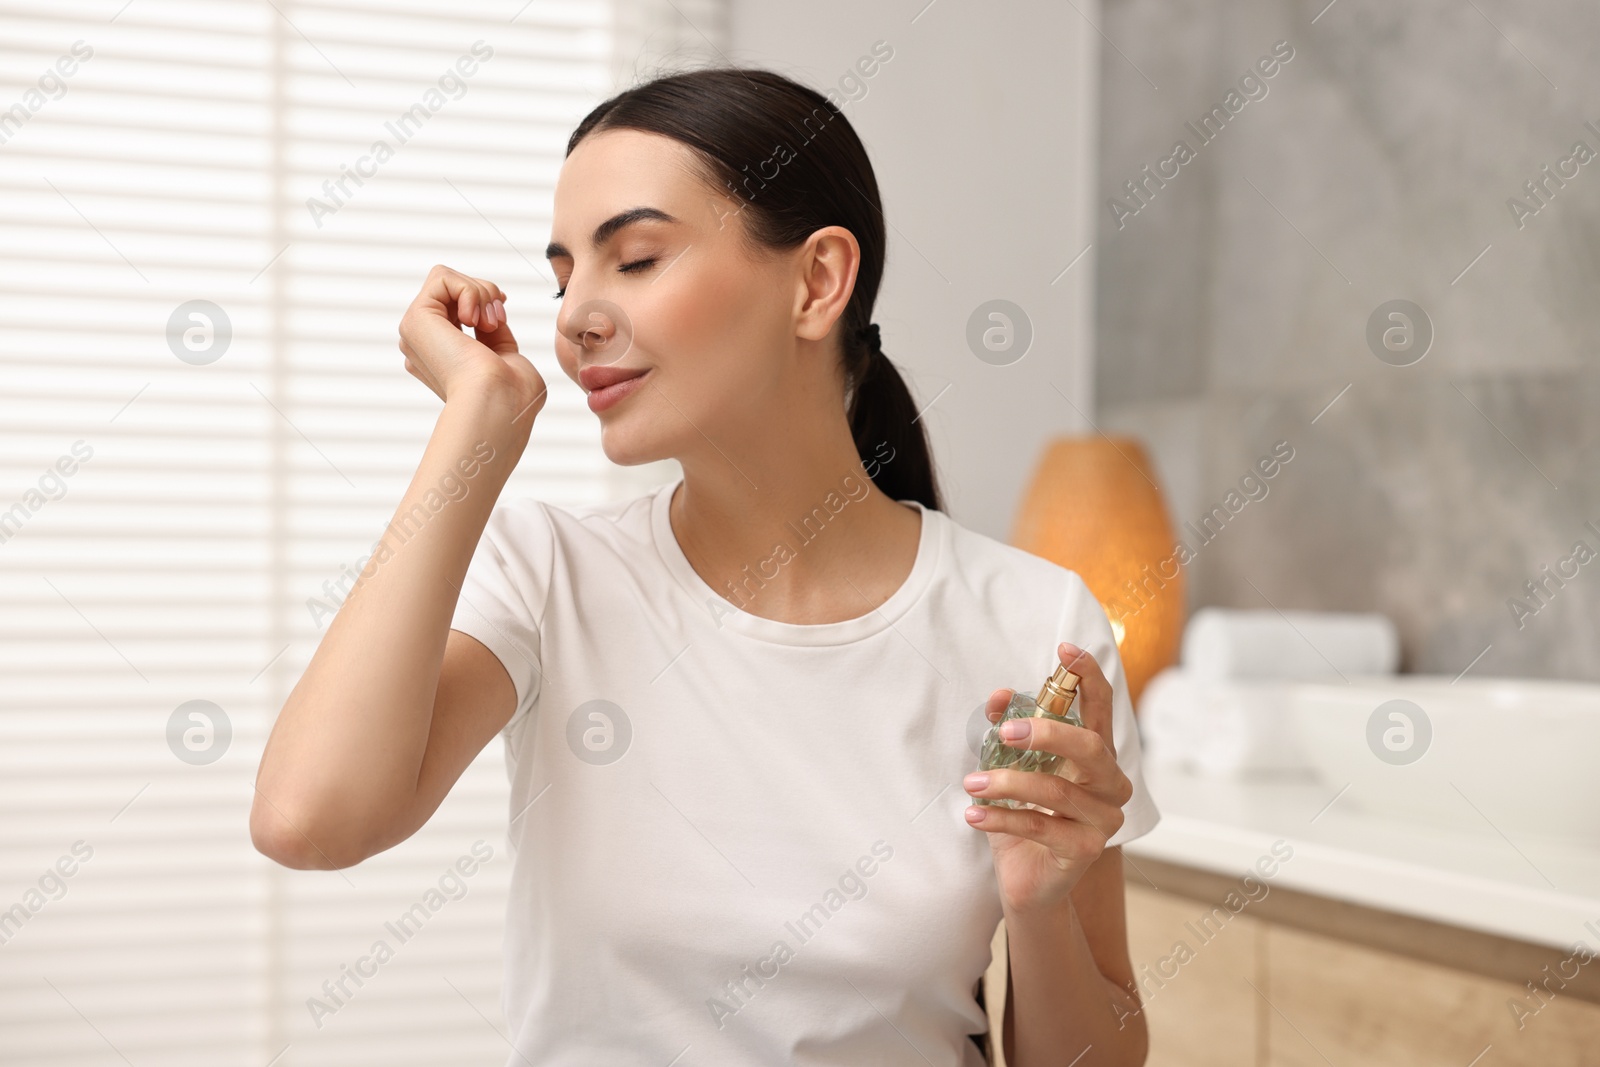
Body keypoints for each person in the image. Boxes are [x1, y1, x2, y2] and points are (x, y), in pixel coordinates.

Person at [251, 66, 1160, 1067]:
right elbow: (309, 819)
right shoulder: (550, 577)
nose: (575, 316)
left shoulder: (1032, 622)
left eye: (635, 258)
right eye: (564, 277)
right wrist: (475, 423)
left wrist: (1040, 907)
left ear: (816, 281)